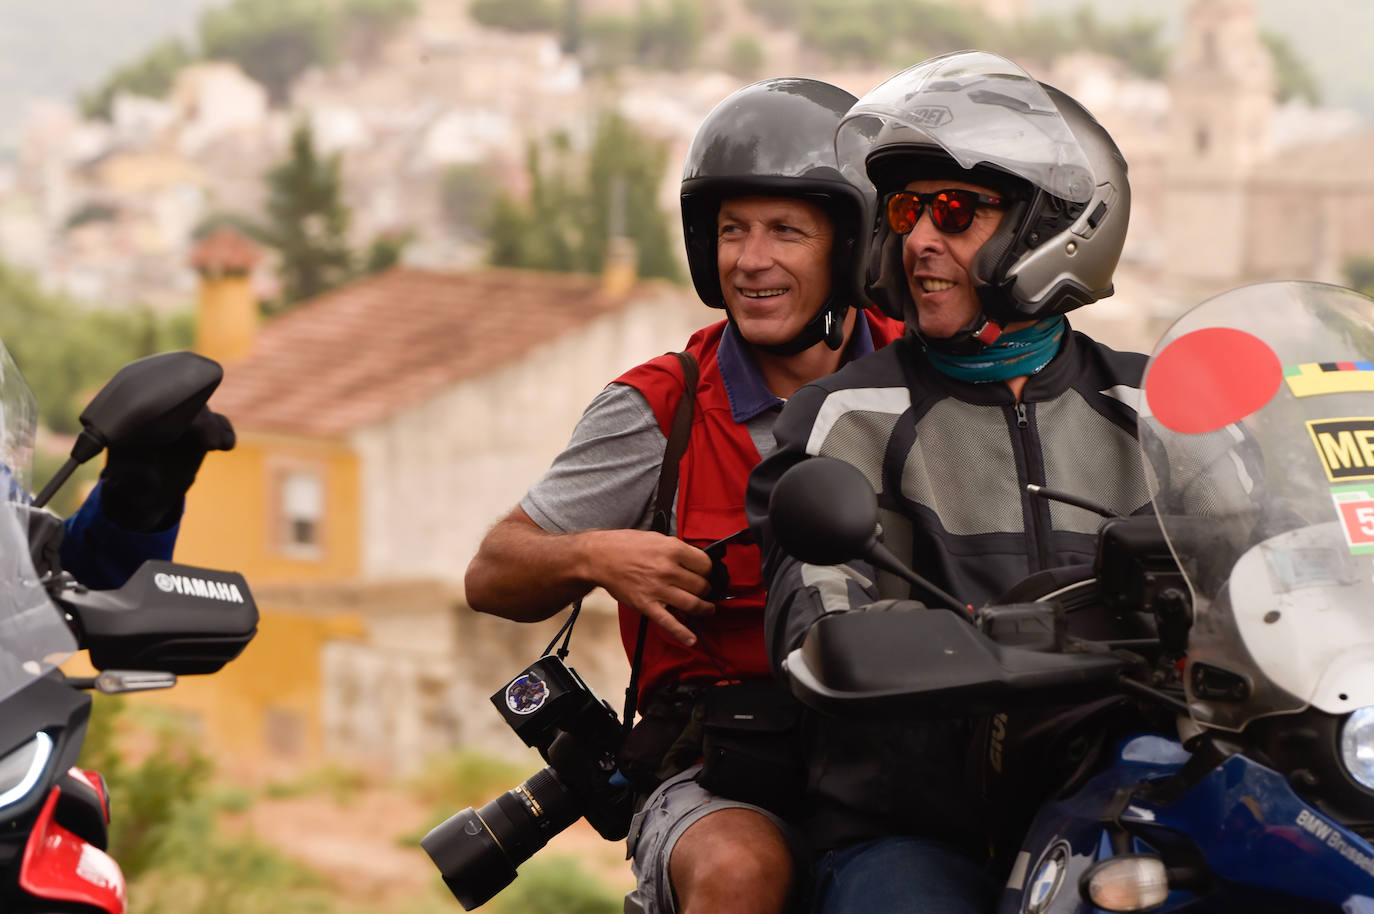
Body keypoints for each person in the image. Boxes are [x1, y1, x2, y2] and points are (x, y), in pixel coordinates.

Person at [464, 77, 903, 914]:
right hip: (717, 770)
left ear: (851, 246)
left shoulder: (923, 384)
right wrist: (595, 555)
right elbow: (491, 575)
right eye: (733, 230)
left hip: (902, 751)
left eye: (785, 231)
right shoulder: (660, 408)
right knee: (741, 873)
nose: (750, 259)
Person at [745, 51, 1148, 913]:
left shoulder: (1155, 410)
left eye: (956, 211)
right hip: (920, 824)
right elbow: (816, 610)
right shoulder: (846, 416)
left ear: (1051, 228)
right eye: (906, 211)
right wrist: (955, 642)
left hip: (1124, 799)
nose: (920, 240)